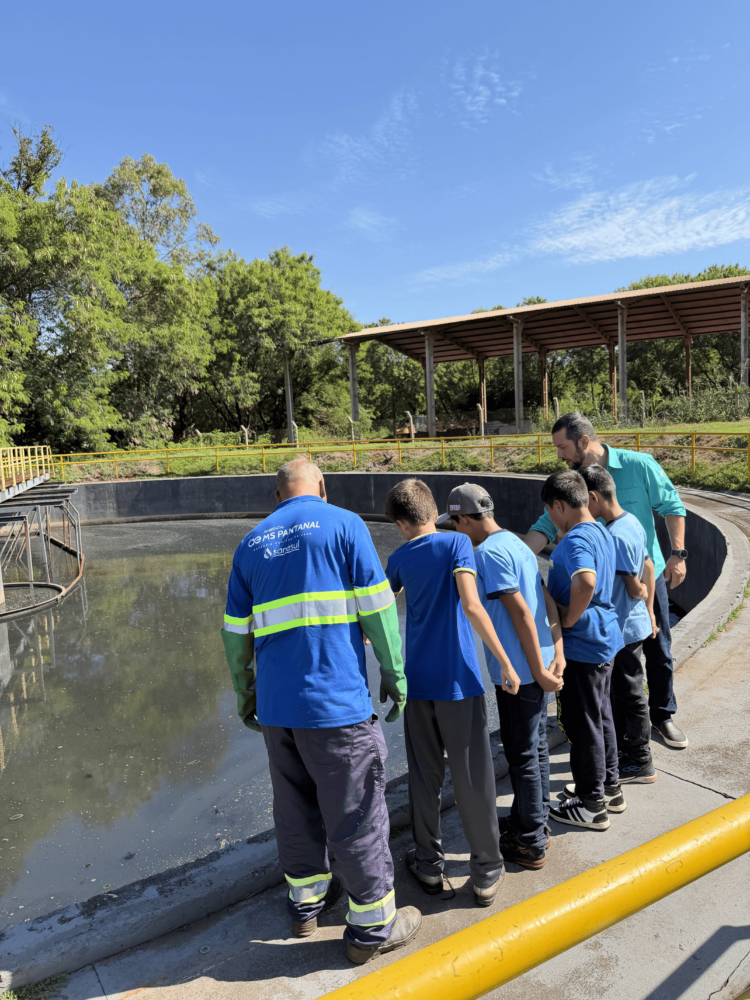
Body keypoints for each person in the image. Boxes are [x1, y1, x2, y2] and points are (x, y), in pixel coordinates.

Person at [221, 458, 421, 965]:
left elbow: (234, 639)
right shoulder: (345, 526)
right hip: (336, 707)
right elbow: (379, 611)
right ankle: (373, 927)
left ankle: (306, 905)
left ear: (277, 497)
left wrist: (248, 699)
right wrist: (395, 678)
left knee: (294, 807)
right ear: (323, 488)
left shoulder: (250, 546)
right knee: (356, 812)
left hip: (277, 710)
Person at [384, 478, 519, 907]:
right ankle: (485, 872)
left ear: (402, 524)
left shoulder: (398, 558)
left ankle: (427, 864)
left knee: (424, 778)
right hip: (459, 681)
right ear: (431, 514)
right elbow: (473, 605)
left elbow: (378, 616)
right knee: (473, 776)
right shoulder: (457, 545)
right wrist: (507, 662)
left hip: (417, 682)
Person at [525, 412, 689, 750]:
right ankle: (619, 730)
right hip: (608, 586)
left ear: (584, 442)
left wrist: (678, 554)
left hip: (646, 572)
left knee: (658, 649)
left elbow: (671, 504)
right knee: (618, 660)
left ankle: (662, 715)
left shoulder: (638, 464)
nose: (559, 455)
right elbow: (545, 525)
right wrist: (519, 559)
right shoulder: (574, 482)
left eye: (562, 447)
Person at [445, 482, 565, 871]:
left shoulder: (490, 554)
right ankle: (534, 822)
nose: (456, 531)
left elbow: (520, 613)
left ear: (465, 518)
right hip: (540, 660)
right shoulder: (516, 543)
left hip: (521, 670)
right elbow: (544, 598)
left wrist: (532, 672)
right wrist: (555, 653)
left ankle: (530, 842)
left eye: (456, 523)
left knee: (522, 754)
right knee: (537, 747)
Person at [542, 470, 625, 831]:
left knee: (582, 722)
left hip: (583, 642)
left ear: (560, 505)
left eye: (550, 511)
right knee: (601, 713)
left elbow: (586, 581)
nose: (550, 519)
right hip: (605, 638)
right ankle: (609, 786)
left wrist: (569, 618)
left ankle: (591, 804)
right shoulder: (600, 530)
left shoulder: (574, 541)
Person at [578, 465, 659, 785]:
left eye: (585, 503)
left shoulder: (615, 536)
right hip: (632, 623)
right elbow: (649, 567)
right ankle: (630, 754)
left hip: (622, 629)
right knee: (626, 691)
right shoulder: (632, 522)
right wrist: (650, 612)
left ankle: (640, 760)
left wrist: (641, 598)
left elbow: (635, 584)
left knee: (629, 693)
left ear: (594, 497)